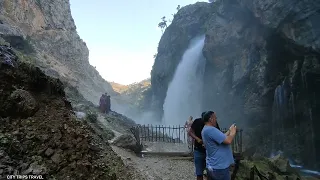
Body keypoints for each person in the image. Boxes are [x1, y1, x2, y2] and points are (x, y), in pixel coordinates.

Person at [201, 111, 237, 180]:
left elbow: (222, 137)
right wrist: (233, 132)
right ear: (210, 119)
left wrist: (229, 130)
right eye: (215, 118)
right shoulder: (211, 130)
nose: (216, 120)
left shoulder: (206, 129)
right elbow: (228, 140)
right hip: (219, 167)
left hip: (214, 165)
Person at [188, 112, 207, 180]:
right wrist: (197, 138)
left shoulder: (213, 123)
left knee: (210, 172)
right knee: (199, 173)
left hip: (210, 151)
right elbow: (190, 132)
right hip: (198, 149)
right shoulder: (197, 121)